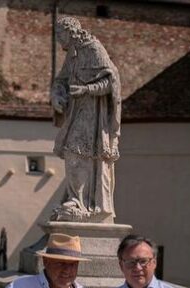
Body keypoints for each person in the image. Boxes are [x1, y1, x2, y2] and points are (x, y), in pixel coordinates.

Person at [50, 16, 121, 223]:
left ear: (70, 32)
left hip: (94, 115)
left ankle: (83, 203)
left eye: (59, 34)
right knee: (72, 151)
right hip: (76, 111)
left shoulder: (93, 49)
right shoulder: (73, 54)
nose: (58, 39)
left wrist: (87, 89)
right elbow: (61, 80)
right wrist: (57, 96)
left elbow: (111, 81)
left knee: (78, 151)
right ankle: (77, 200)